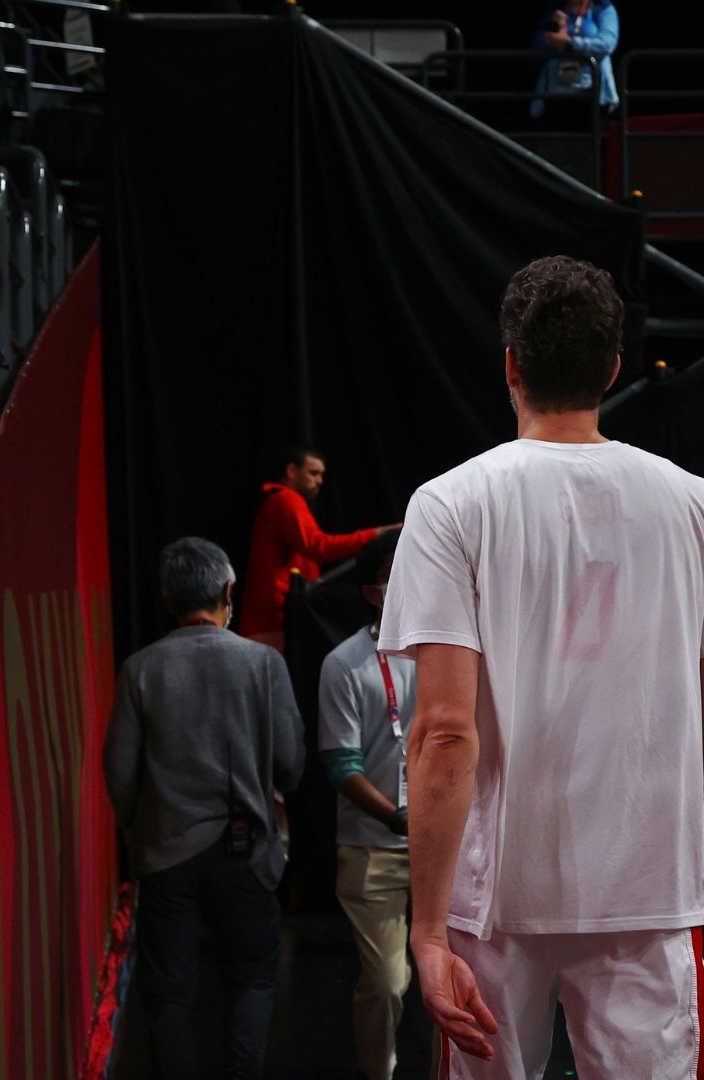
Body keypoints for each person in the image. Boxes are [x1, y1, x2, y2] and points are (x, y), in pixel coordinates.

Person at [380, 255, 704, 1076]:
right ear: (614, 368)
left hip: (494, 900)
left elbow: (445, 732)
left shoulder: (450, 504)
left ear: (511, 365)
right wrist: (658, 839)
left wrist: (425, 927)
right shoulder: (696, 503)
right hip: (645, 894)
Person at [103, 537, 306, 1078]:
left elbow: (120, 774)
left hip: (166, 854)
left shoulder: (140, 670)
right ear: (228, 592)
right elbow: (290, 762)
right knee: (252, 981)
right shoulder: (263, 664)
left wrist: (140, 832)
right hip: (248, 855)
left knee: (169, 995)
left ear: (169, 600)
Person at [317, 532, 416, 1080]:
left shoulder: (451, 651)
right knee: (386, 984)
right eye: (395, 573)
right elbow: (341, 767)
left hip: (447, 849)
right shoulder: (346, 664)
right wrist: (399, 818)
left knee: (468, 981)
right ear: (373, 592)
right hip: (374, 849)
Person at [240, 444, 396, 653]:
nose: (320, 481)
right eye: (313, 473)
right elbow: (318, 547)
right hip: (274, 620)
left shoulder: (275, 501)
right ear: (292, 471)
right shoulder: (285, 499)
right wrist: (377, 534)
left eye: (321, 475)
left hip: (269, 620)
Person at [529, 0, 619, 124]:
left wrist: (570, 44)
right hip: (556, 91)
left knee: (587, 140)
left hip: (592, 88)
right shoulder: (556, 9)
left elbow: (606, 45)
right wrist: (554, 28)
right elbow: (535, 50)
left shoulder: (603, 9)